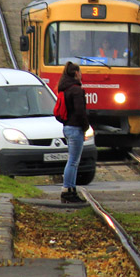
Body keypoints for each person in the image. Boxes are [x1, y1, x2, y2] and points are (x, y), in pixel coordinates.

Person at [57, 61, 89, 204]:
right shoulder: (77, 90)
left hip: (67, 127)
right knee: (73, 161)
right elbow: (80, 111)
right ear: (76, 73)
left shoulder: (64, 88)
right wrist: (85, 126)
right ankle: (67, 190)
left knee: (73, 160)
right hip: (75, 128)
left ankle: (71, 189)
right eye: (80, 72)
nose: (81, 75)